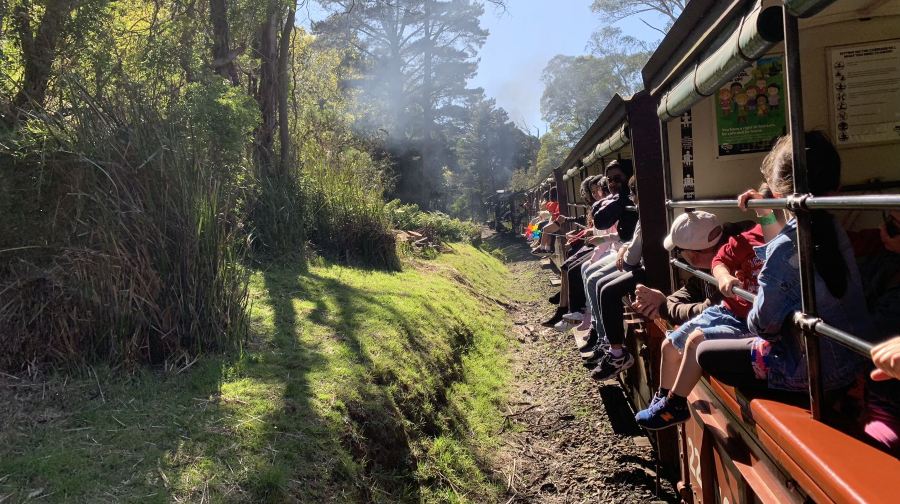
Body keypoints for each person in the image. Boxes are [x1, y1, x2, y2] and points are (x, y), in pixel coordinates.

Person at [696, 131, 873, 397]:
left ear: (777, 191)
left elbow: (763, 325)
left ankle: (780, 397)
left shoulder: (784, 247)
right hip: (851, 361)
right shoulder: (836, 230)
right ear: (835, 188)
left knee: (706, 353)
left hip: (813, 371)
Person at [635, 204, 773, 429]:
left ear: (693, 255)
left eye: (680, 252)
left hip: (745, 320)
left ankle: (674, 404)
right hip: (731, 313)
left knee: (694, 341)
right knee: (668, 345)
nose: (679, 257)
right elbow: (690, 293)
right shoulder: (726, 252)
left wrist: (663, 306)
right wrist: (665, 304)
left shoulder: (741, 255)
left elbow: (704, 306)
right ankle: (662, 399)